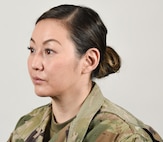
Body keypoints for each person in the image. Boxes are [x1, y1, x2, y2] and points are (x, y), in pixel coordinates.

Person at [8, 4, 162, 142]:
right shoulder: (26, 127)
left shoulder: (124, 137)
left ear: (89, 60)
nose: (35, 64)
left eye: (49, 51)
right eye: (32, 50)